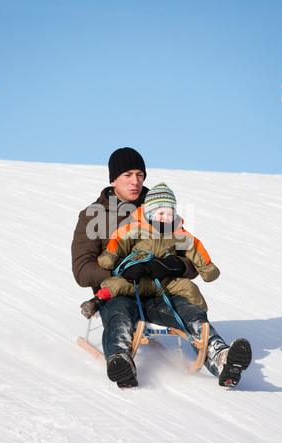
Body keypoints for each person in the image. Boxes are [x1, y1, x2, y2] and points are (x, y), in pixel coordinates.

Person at [71, 147, 252, 388]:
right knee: (119, 314)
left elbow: (190, 254)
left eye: (140, 174)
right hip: (121, 290)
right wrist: (121, 272)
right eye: (127, 175)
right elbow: (82, 269)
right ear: (113, 179)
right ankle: (120, 359)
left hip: (160, 289)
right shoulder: (93, 215)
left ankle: (221, 357)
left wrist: (173, 265)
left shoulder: (160, 206)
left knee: (190, 311)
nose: (135, 181)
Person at [80, 182, 218, 316]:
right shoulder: (136, 229)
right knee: (116, 284)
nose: (166, 218)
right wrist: (111, 259)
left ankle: (200, 321)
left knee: (190, 287)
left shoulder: (178, 233)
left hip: (165, 281)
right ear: (150, 213)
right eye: (161, 213)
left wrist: (207, 269)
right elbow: (118, 241)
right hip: (138, 277)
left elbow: (196, 249)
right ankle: (96, 302)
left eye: (170, 214)